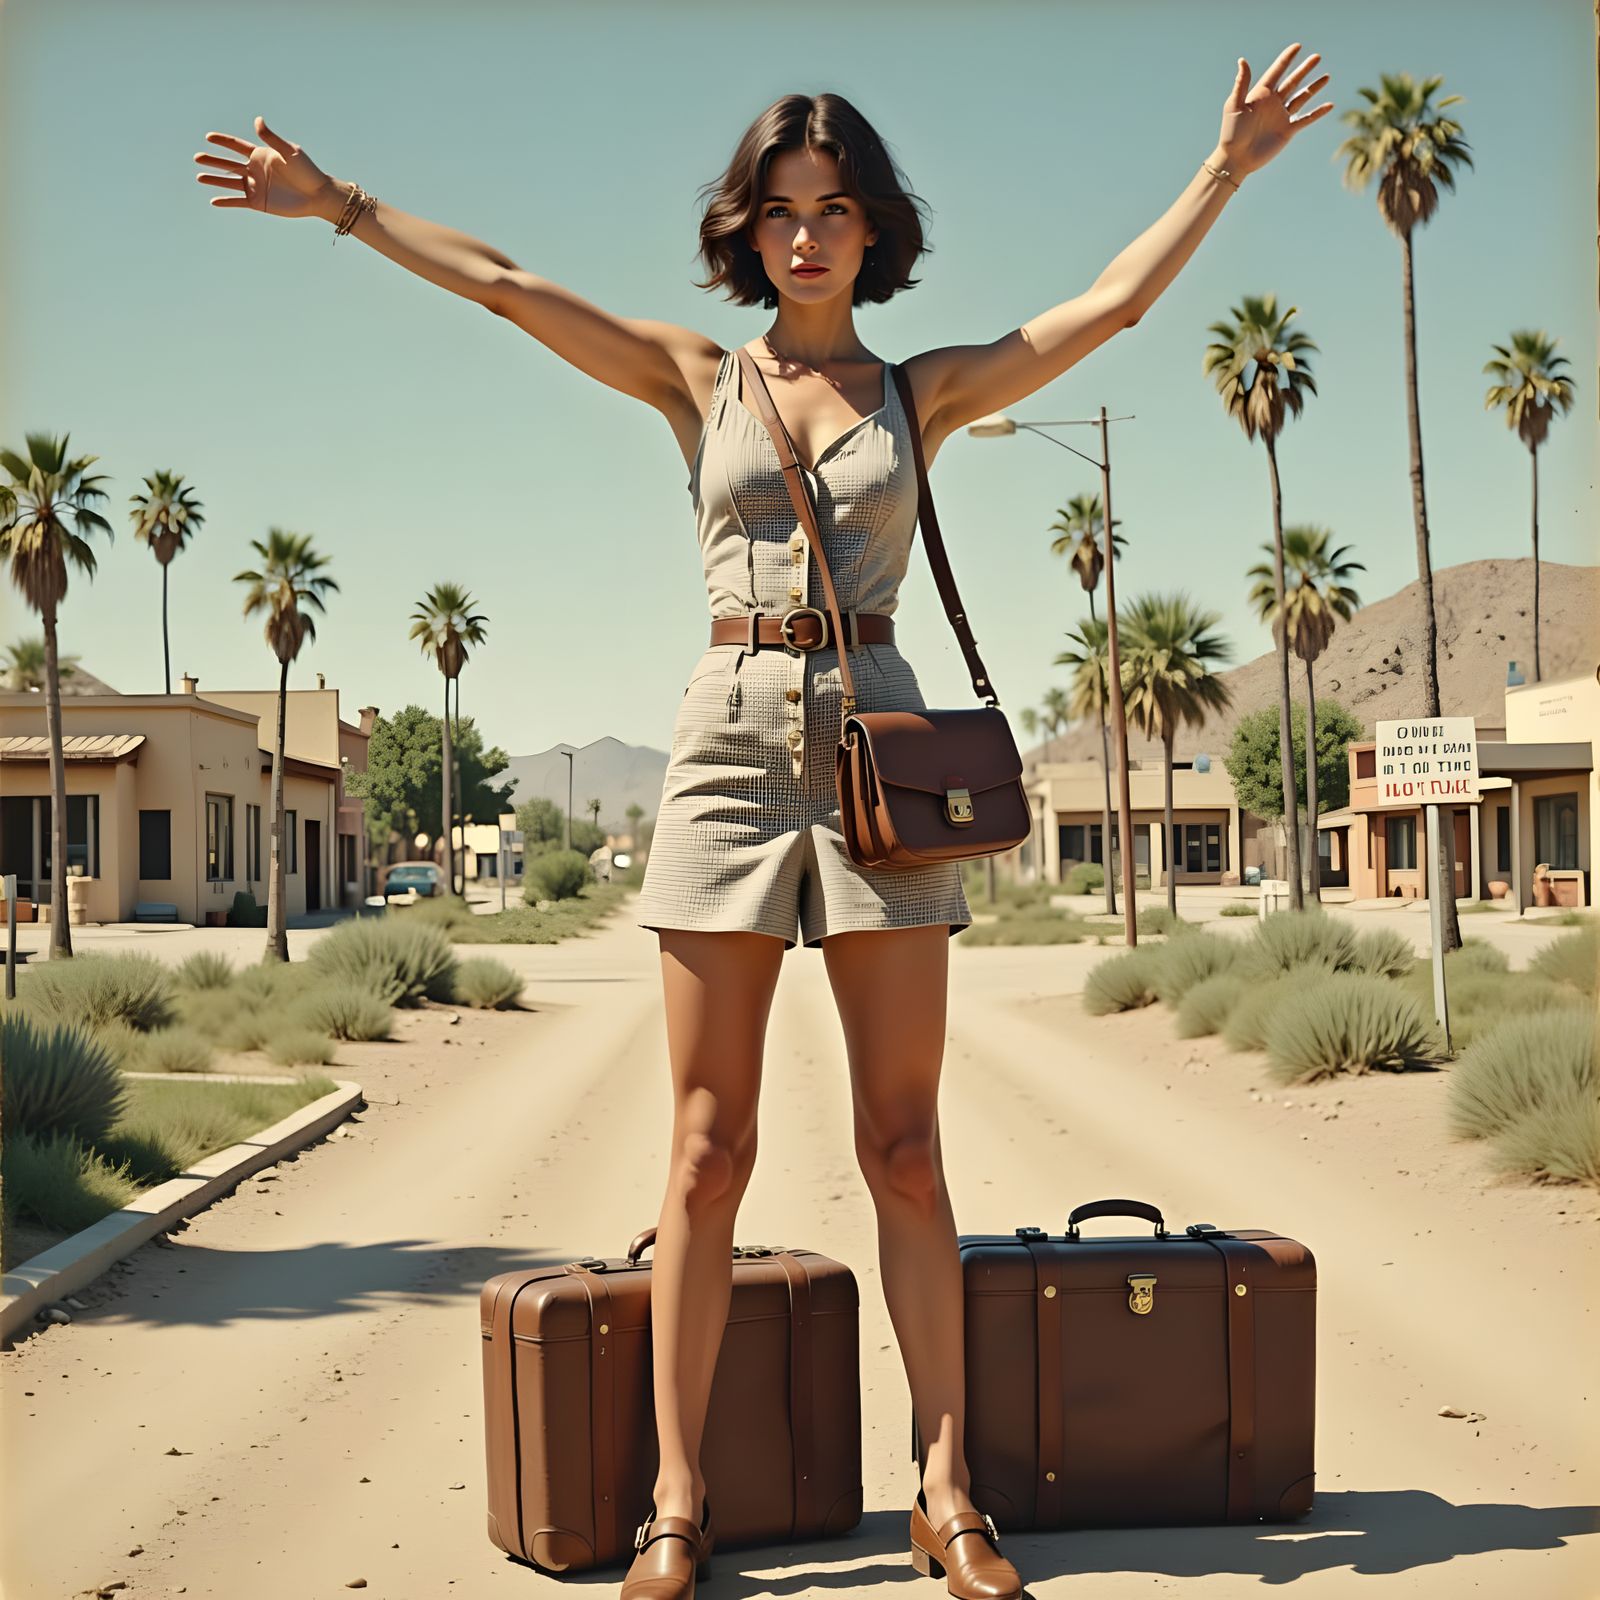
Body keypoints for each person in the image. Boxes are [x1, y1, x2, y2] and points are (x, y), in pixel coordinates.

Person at [196, 50, 1330, 1599]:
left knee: (904, 1147)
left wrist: (1224, 172)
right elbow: (511, 289)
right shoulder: (697, 375)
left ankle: (947, 1492)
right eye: (783, 211)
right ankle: (679, 1500)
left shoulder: (918, 392)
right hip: (728, 746)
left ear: (874, 233)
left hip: (882, 750)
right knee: (708, 1148)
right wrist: (343, 206)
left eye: (836, 209)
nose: (807, 236)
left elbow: (1104, 313)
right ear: (750, 230)